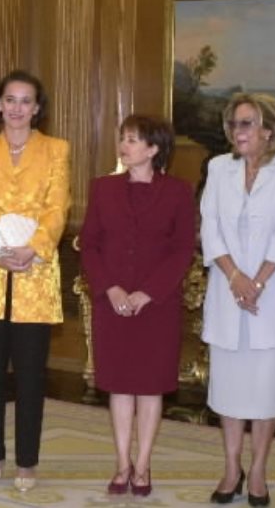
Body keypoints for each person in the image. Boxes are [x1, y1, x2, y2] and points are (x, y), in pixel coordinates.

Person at [0, 70, 70, 492]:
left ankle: (27, 461)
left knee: (30, 375)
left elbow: (58, 207)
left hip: (35, 272)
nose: (18, 107)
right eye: (10, 99)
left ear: (37, 108)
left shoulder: (56, 149)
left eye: (26, 101)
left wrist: (34, 248)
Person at [199, 92, 275, 506]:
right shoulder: (217, 168)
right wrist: (235, 278)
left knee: (266, 388)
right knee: (228, 386)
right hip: (229, 291)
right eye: (233, 124)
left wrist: (256, 283)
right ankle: (231, 467)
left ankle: (259, 469)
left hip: (272, 292)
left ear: (268, 130)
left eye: (246, 123)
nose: (237, 131)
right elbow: (210, 229)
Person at [79, 115, 195, 496]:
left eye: (132, 140)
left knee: (149, 387)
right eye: (123, 139)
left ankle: (143, 466)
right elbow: (90, 244)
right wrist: (109, 288)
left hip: (156, 306)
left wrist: (148, 293)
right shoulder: (103, 188)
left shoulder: (178, 192)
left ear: (154, 149)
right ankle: (121, 463)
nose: (124, 146)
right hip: (111, 303)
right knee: (119, 386)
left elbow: (182, 250)